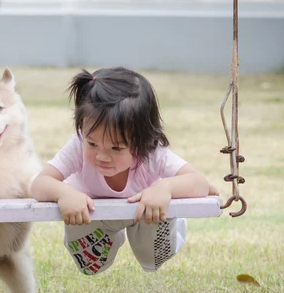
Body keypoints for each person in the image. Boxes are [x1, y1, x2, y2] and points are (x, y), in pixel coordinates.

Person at [31, 67, 217, 275]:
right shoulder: (78, 146)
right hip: (92, 216)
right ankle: (111, 236)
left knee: (151, 258)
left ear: (142, 141)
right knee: (91, 266)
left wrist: (165, 187)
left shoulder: (152, 153)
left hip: (146, 215)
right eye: (92, 144)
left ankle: (165, 231)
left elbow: (200, 182)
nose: (102, 155)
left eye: (116, 148)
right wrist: (63, 193)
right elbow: (39, 184)